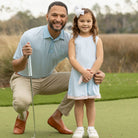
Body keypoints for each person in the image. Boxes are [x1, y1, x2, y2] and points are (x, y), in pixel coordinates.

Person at [10, 1, 105, 135]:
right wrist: (25, 57)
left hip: (49, 77)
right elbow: (15, 66)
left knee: (79, 82)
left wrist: (98, 74)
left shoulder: (70, 39)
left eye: (62, 16)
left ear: (66, 18)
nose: (58, 19)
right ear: (47, 16)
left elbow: (85, 60)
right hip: (25, 78)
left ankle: (57, 117)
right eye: (54, 15)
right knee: (21, 103)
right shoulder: (30, 35)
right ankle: (22, 116)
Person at [67, 7, 103, 138]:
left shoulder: (97, 40)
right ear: (76, 22)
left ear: (93, 22)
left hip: (91, 76)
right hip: (78, 75)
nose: (85, 24)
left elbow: (99, 58)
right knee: (79, 102)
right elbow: (72, 58)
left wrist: (91, 73)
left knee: (90, 102)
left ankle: (91, 128)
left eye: (89, 21)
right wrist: (83, 71)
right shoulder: (73, 40)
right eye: (82, 21)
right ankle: (80, 128)